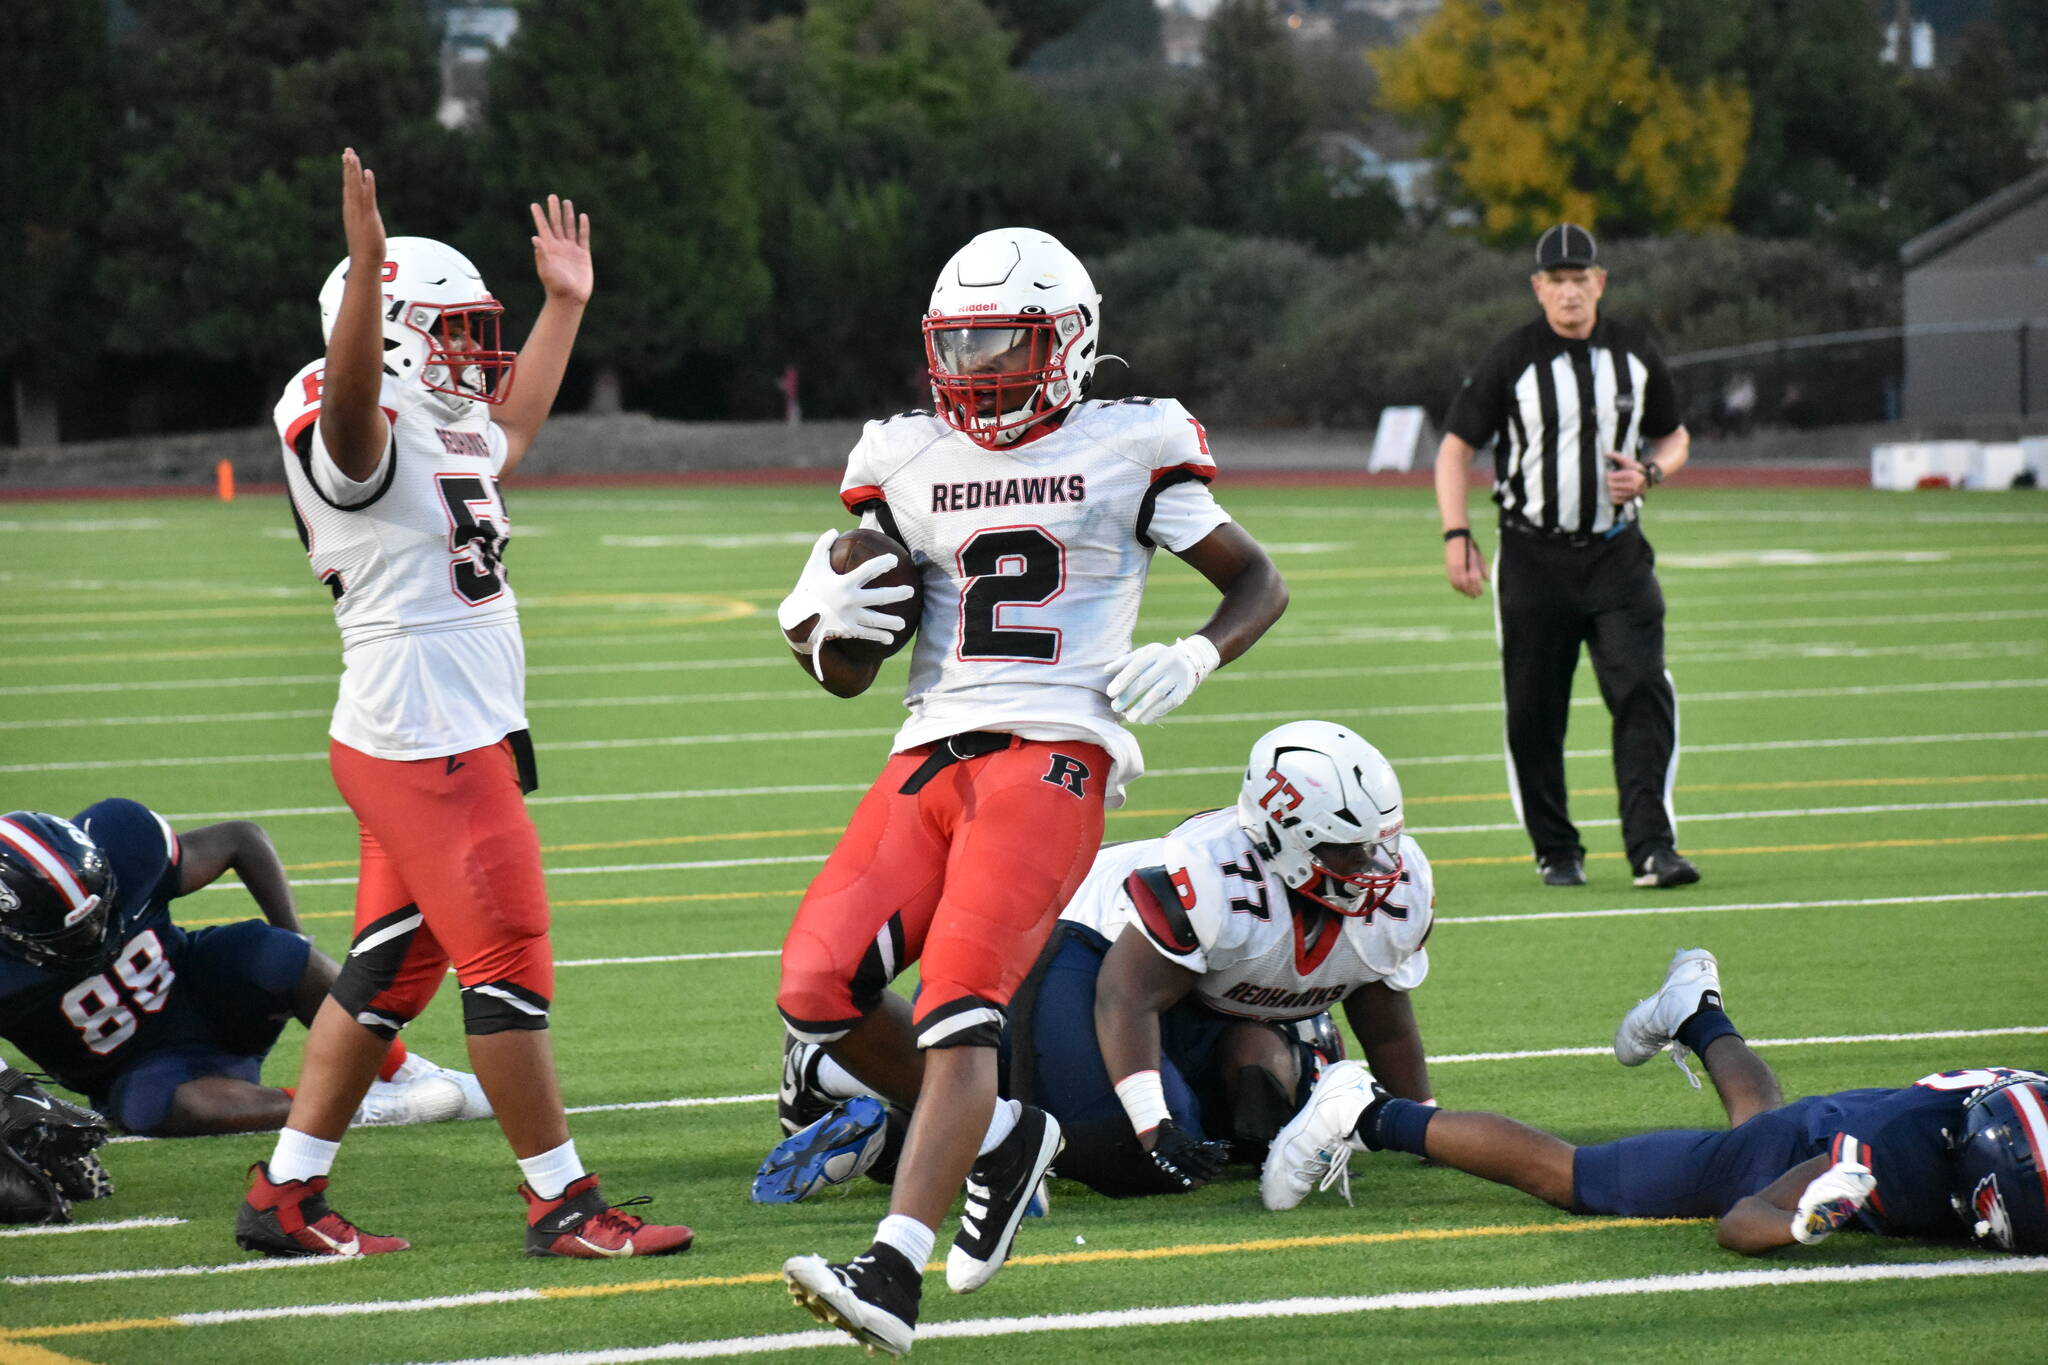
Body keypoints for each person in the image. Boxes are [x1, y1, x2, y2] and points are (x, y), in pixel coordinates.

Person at [773, 227, 1288, 1356]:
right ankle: (1003, 1133)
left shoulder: (1128, 442)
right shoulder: (904, 457)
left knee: (962, 1004)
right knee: (816, 985)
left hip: (1055, 748)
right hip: (927, 750)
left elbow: (1256, 578)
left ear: (1069, 341)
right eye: (960, 345)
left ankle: (893, 1272)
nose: (980, 368)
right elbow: (846, 674)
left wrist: (1198, 653)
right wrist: (814, 629)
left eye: (1005, 341)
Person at [237, 149, 691, 1260]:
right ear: (383, 325)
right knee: (510, 962)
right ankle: (564, 1206)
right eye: (454, 330)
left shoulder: (442, 421)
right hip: (425, 736)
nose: (474, 354)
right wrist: (361, 263)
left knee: (388, 971)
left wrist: (562, 308)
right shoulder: (344, 409)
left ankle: (284, 1195)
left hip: (437, 730)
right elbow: (351, 426)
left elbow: (514, 430)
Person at [764, 721, 1435, 1204]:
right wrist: (1152, 1123)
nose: (1377, 868)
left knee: (1213, 1136)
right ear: (1287, 835)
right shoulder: (1217, 874)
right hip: (1079, 947)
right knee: (1114, 1145)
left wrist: (1418, 1119)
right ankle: (839, 1070)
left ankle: (862, 1106)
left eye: (1380, 844)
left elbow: (1383, 1014)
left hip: (1176, 1000)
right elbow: (1127, 997)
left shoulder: (1384, 902)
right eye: (1351, 849)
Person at [1261, 947, 2048, 1257]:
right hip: (1810, 1152)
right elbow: (1740, 1222)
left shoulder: (2008, 1116)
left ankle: (1697, 1009)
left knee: (1764, 1119)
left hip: (1833, 1125)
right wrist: (1804, 1218)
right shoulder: (1864, 1164)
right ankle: (1364, 1112)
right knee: (1572, 1176)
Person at [1433, 223, 1698, 891]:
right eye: (1558, 281)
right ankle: (1556, 848)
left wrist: (1651, 473)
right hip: (1532, 556)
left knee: (1642, 688)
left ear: (1600, 283)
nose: (1571, 293)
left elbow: (1674, 436)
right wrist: (1456, 533)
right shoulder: (1511, 357)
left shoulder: (1635, 351)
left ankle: (1651, 847)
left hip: (1618, 554)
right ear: (1538, 288)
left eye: (1582, 280)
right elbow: (1454, 449)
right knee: (1535, 708)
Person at [1, 803, 475, 1140]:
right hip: (135, 1068)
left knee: (275, 953)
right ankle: (369, 1109)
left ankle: (403, 1070)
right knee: (161, 1108)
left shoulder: (123, 841)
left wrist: (296, 942)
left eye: (103, 909)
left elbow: (240, 840)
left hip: (205, 990)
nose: (99, 933)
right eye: (72, 934)